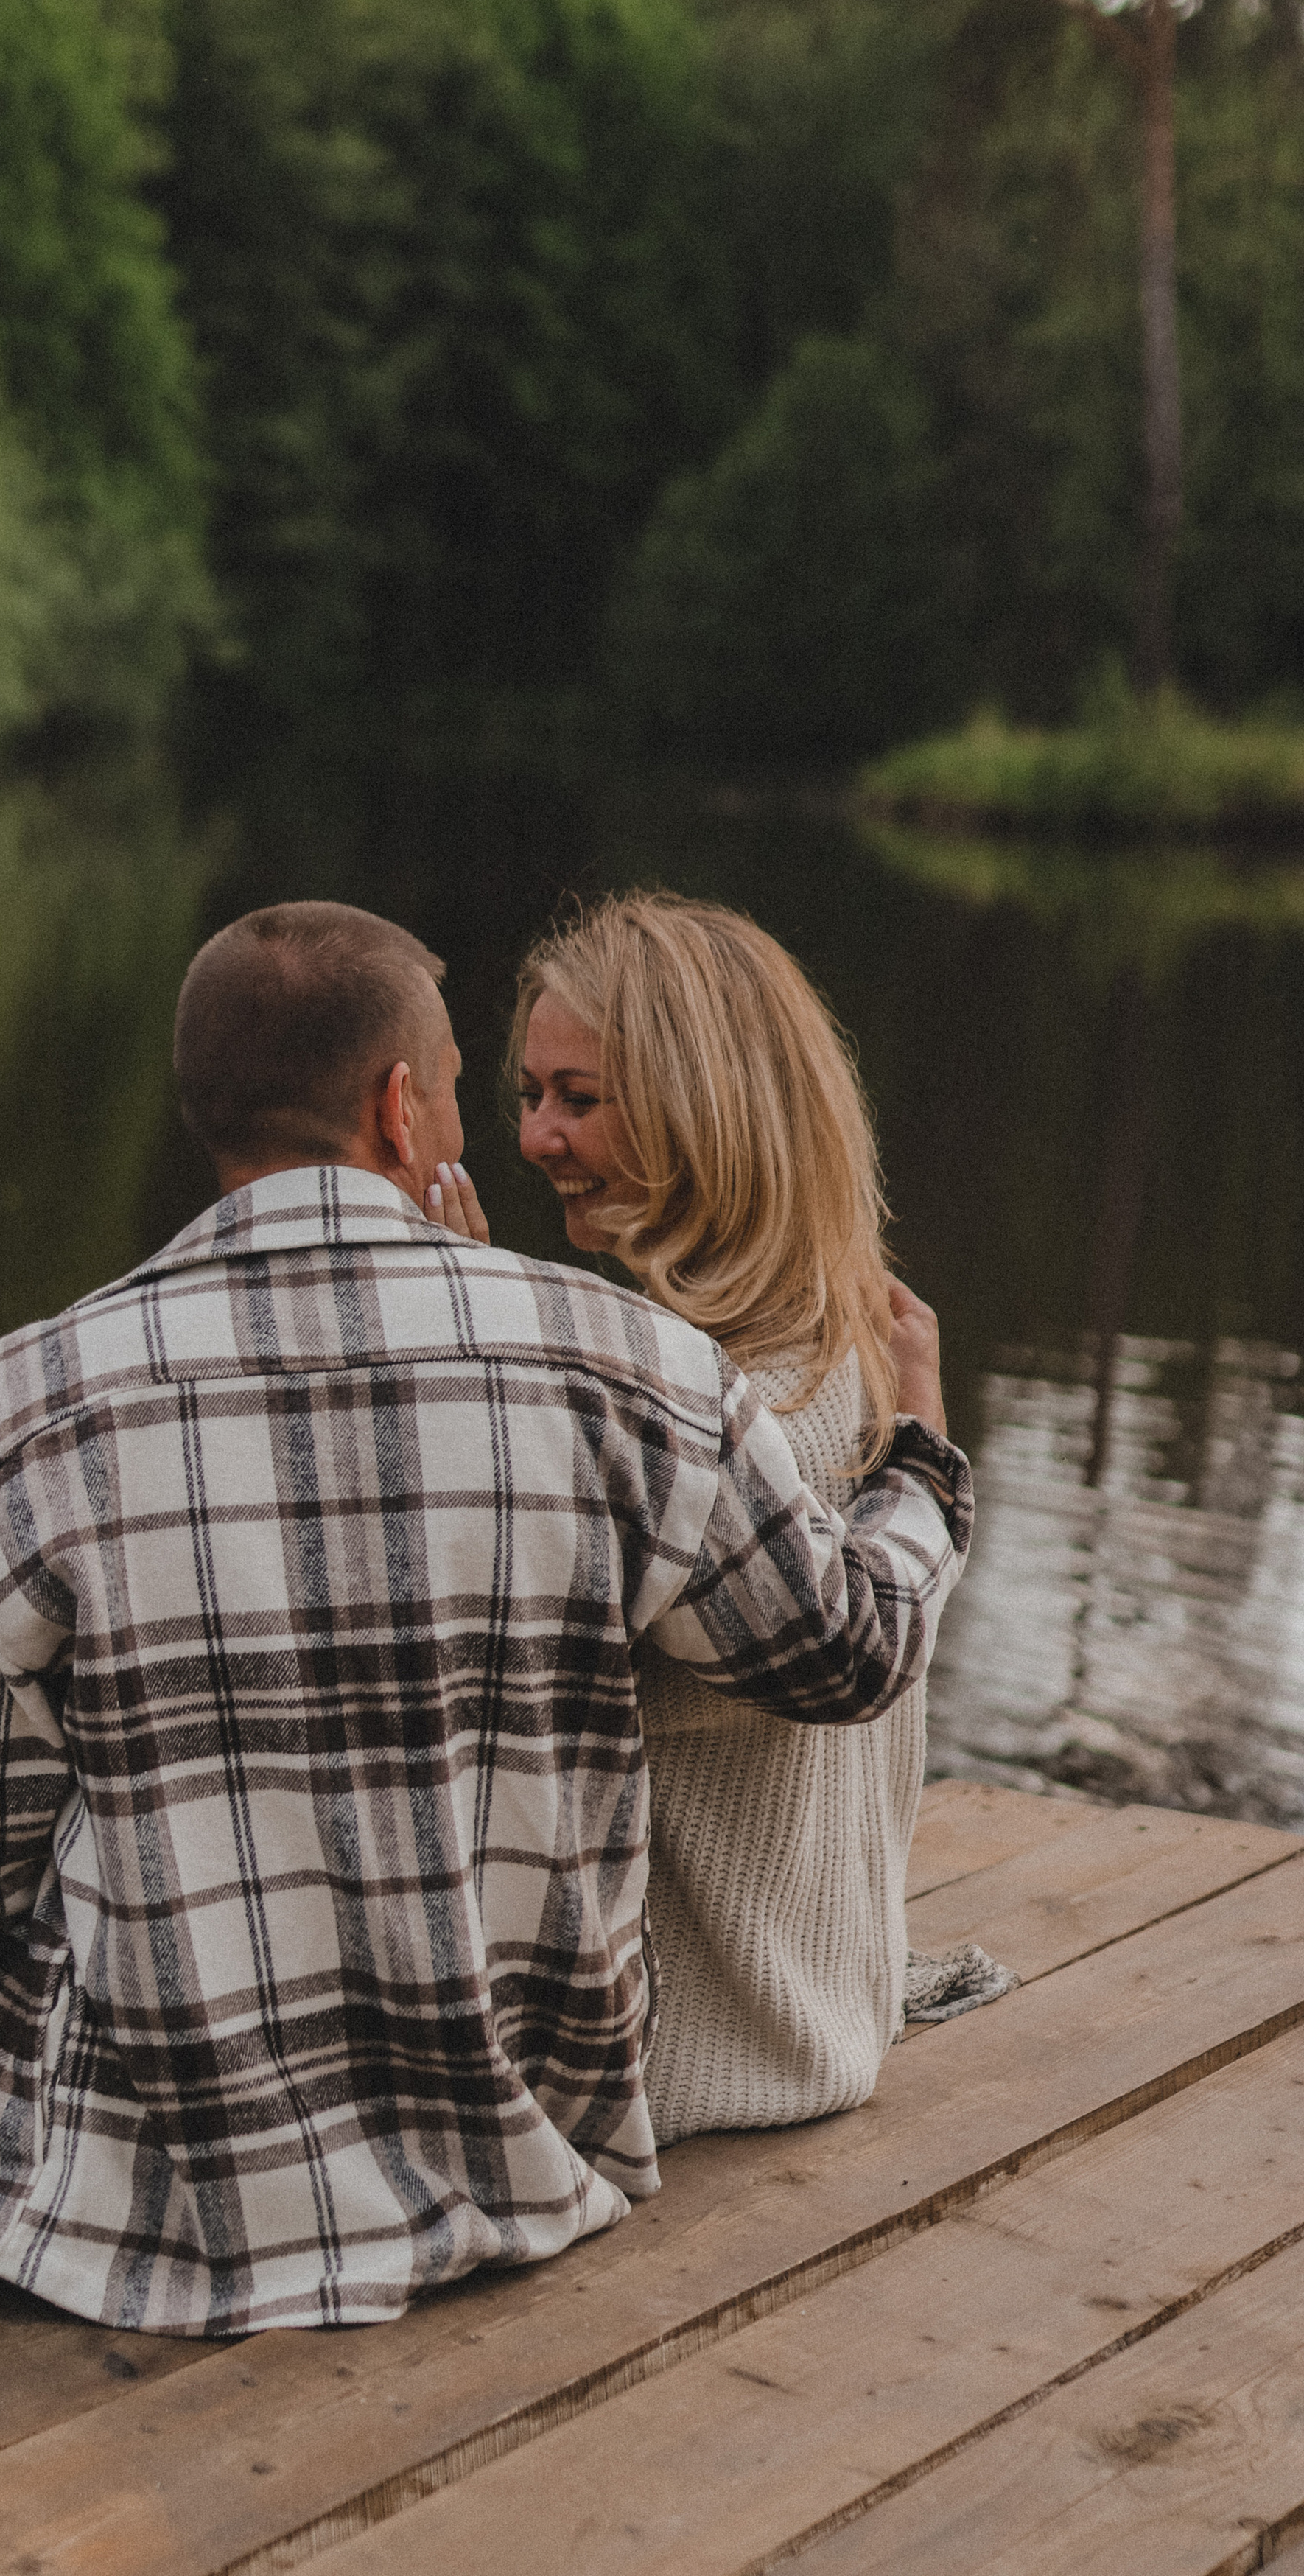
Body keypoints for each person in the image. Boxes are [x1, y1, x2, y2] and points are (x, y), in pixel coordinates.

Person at [0, 898, 970, 2337]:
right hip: (527, 2128)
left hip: (197, 2129)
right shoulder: (641, 1376)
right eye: (508, 1100)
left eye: (568, 1098)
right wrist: (924, 1464)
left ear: (200, 1116)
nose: (523, 1136)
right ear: (402, 1104)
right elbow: (845, 1645)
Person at [497, 889, 953, 2143]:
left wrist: (459, 1366)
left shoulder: (712, 1416)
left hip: (700, 2072)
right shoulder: (839, 1355)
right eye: (533, 1096)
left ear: (707, 1109)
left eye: (579, 1099)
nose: (538, 1137)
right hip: (809, 2024)